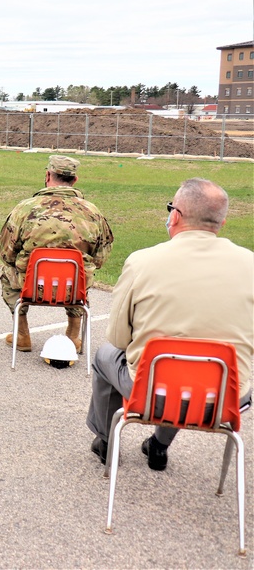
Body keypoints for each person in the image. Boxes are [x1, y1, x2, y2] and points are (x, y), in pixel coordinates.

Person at [86, 178, 252, 471]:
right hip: (224, 399)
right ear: (220, 223)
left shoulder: (142, 262)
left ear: (174, 216)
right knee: (191, 371)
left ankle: (107, 442)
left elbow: (118, 338)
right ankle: (159, 447)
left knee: (104, 356)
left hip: (153, 394)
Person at [0, 155, 113, 353]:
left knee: (7, 274)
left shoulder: (25, 208)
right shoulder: (93, 212)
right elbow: (100, 258)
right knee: (83, 273)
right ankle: (73, 336)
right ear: (74, 180)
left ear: (47, 175)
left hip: (31, 287)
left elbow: (6, 253)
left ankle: (23, 334)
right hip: (72, 291)